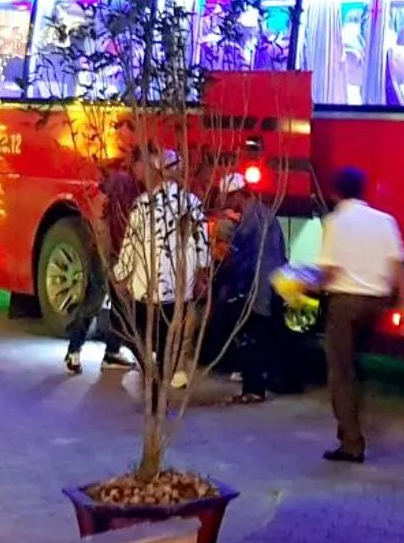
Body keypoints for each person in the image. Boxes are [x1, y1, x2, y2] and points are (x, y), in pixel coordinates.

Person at [317, 166, 404, 463]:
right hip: (378, 303)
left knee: (341, 373)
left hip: (345, 303)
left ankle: (351, 443)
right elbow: (398, 265)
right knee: (355, 366)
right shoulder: (385, 221)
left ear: (335, 192)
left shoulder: (334, 222)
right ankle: (353, 419)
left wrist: (307, 285)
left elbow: (330, 270)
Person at [113, 150, 209, 391]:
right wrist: (201, 275)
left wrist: (120, 275)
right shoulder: (193, 204)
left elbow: (129, 246)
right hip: (178, 290)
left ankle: (152, 379)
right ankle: (163, 386)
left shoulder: (143, 205)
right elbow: (203, 250)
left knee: (142, 337)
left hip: (145, 288)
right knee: (169, 340)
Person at [65, 150, 143, 374]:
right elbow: (99, 209)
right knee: (96, 299)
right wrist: (104, 245)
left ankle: (111, 351)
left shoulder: (134, 185)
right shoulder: (121, 182)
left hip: (117, 251)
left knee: (118, 303)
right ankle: (75, 350)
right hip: (108, 251)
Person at [217, 173, 291, 404]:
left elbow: (246, 259)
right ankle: (260, 384)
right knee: (261, 337)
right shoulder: (261, 214)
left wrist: (239, 290)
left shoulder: (252, 219)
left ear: (238, 195)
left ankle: (254, 389)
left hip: (258, 288)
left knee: (253, 338)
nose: (227, 203)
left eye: (229, 198)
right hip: (269, 284)